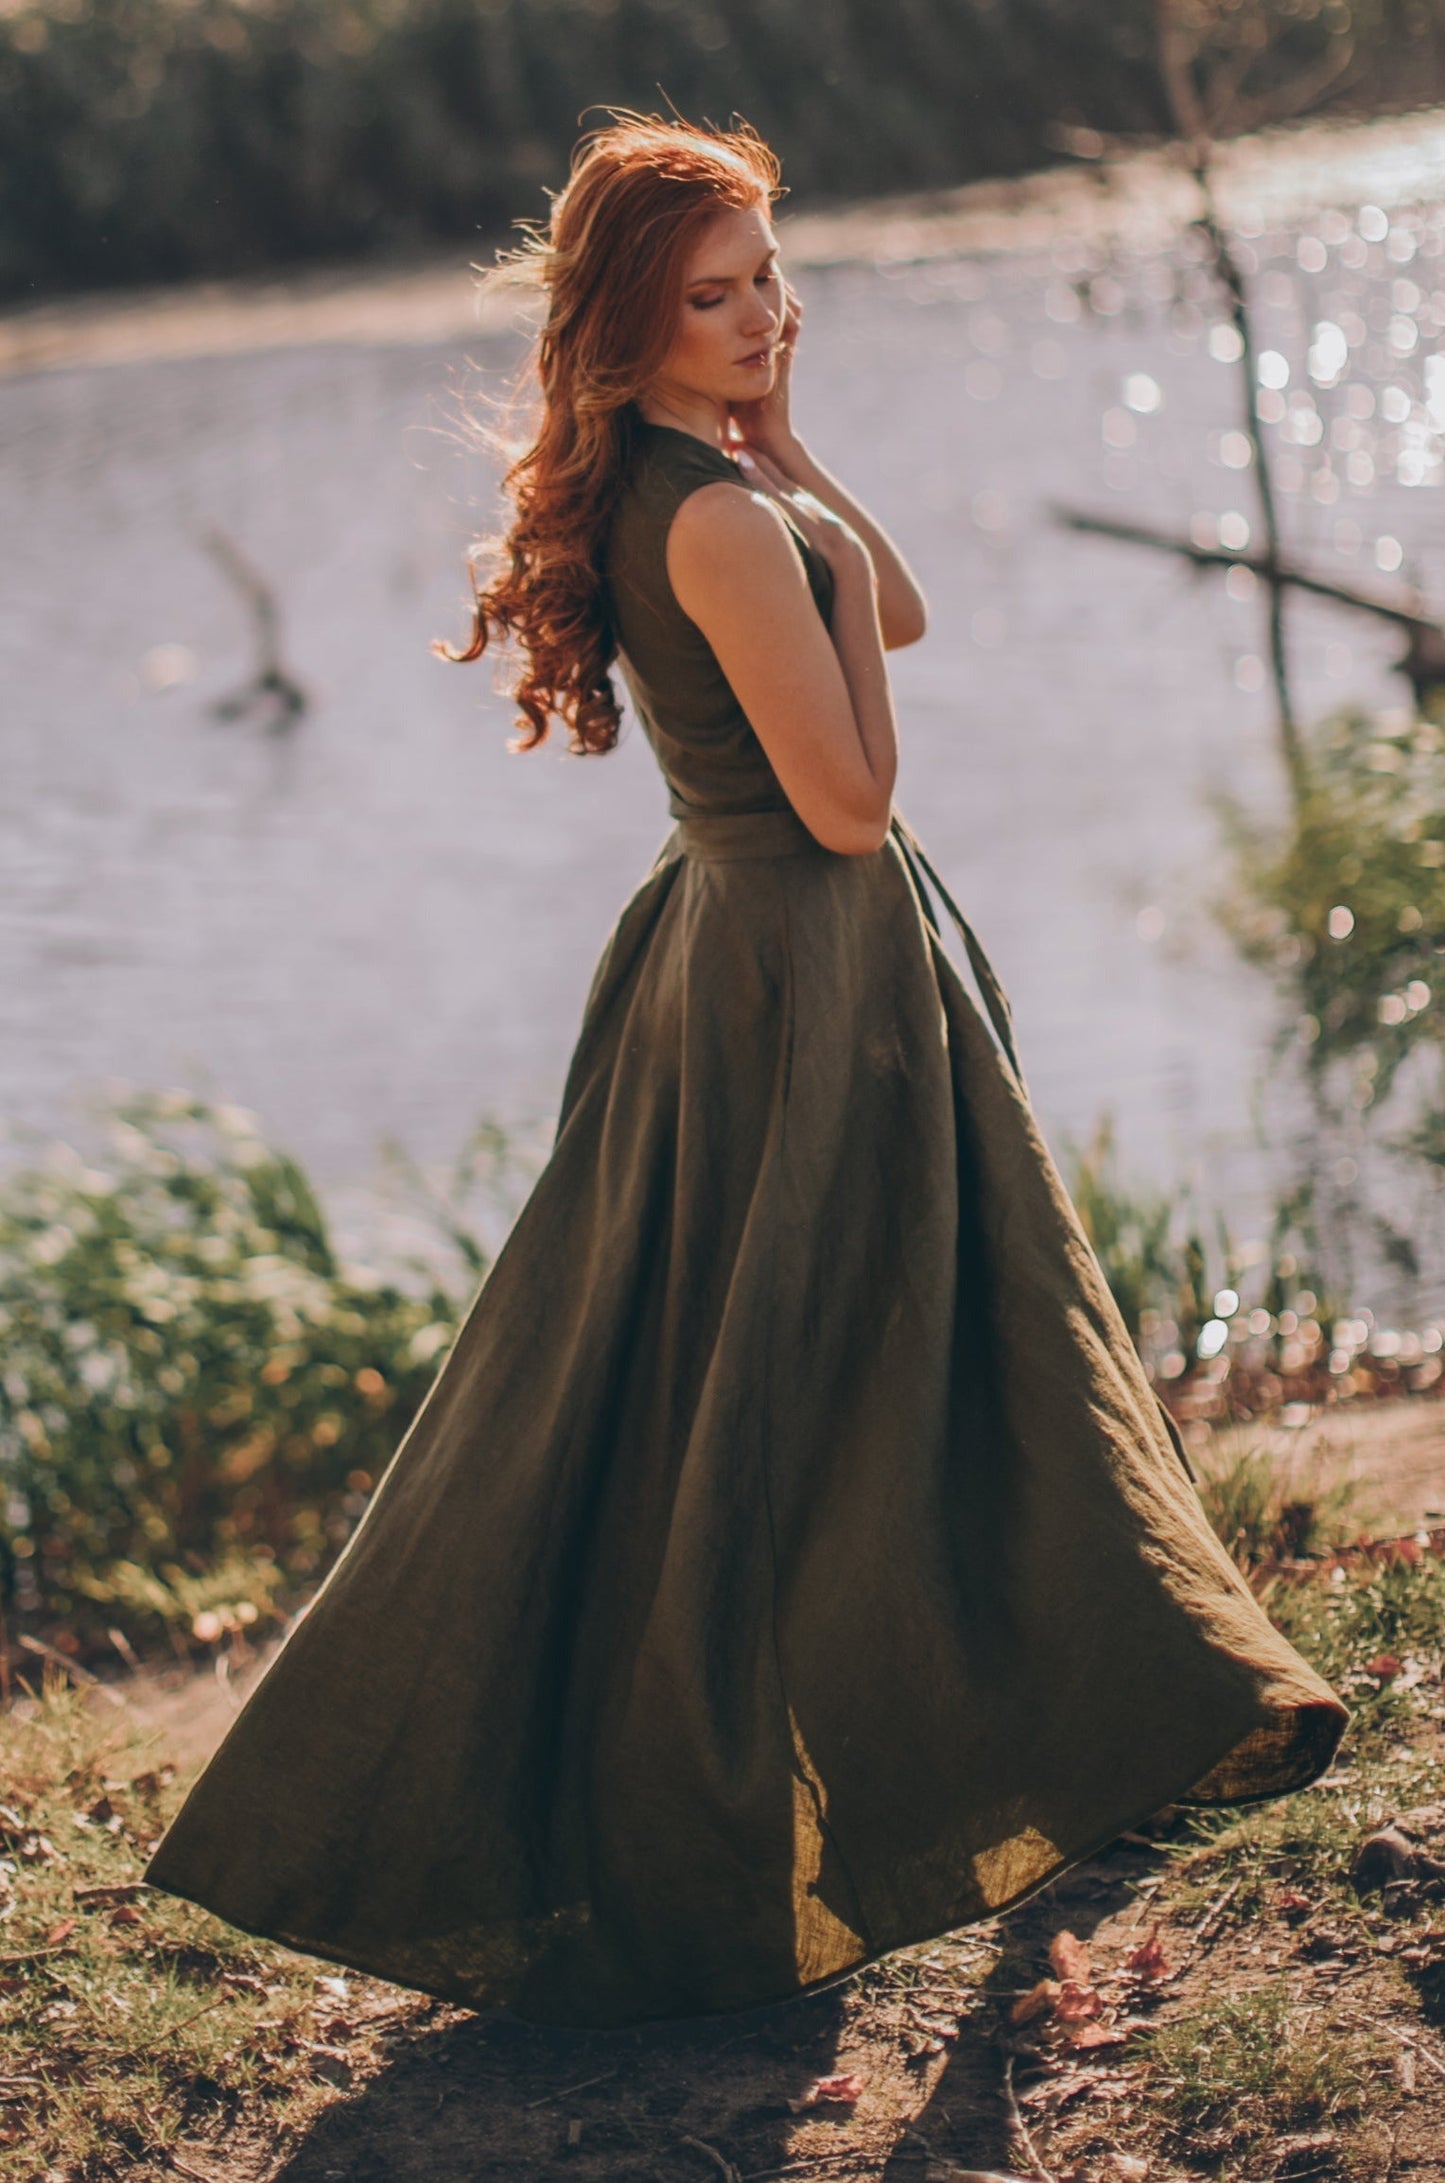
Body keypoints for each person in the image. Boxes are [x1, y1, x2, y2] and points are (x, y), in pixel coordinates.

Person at [145, 113, 1347, 2030]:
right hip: (804, 959)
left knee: (824, 1349)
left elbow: (900, 609)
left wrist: (794, 462)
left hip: (754, 950)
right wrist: (773, 513)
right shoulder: (701, 518)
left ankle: (1052, 1707)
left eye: (772, 279)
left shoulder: (708, 481)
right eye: (717, 300)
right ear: (627, 325)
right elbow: (858, 803)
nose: (765, 317)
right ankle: (924, 1751)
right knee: (843, 1364)